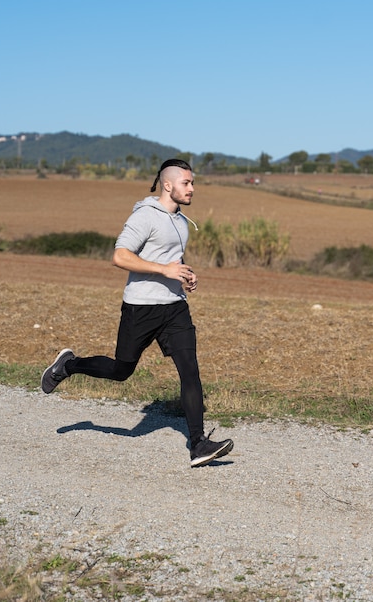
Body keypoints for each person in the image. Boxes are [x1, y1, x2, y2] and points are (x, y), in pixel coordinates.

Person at [41, 158, 234, 467]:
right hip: (141, 307)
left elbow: (170, 259)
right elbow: (120, 256)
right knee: (122, 370)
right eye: (187, 183)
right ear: (168, 185)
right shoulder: (145, 216)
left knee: (190, 369)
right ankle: (69, 365)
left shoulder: (182, 221)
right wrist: (163, 269)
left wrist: (184, 274)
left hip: (174, 307)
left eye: (193, 183)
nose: (193, 189)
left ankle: (198, 444)